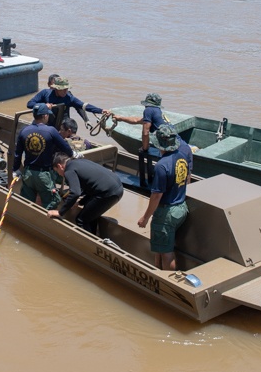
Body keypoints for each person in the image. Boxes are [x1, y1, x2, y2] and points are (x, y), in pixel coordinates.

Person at [137, 125, 190, 271]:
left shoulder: (161, 165)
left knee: (166, 253)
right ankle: (159, 272)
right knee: (161, 247)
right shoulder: (182, 156)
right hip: (181, 208)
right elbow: (187, 178)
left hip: (166, 213)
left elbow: (156, 196)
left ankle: (168, 283)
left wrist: (145, 217)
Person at [11, 105, 73, 210]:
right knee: (51, 203)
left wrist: (15, 169)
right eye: (48, 115)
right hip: (44, 175)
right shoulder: (51, 131)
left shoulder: (24, 131)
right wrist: (72, 154)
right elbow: (67, 149)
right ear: (44, 116)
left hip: (28, 173)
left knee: (26, 202)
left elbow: (17, 154)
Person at [47, 153, 124, 234]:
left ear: (60, 166)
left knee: (81, 220)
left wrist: (60, 212)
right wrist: (79, 202)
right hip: (118, 188)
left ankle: (89, 245)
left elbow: (75, 192)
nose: (59, 174)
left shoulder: (69, 171)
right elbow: (91, 186)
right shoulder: (80, 161)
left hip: (107, 192)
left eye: (57, 171)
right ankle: (93, 236)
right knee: (90, 216)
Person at [111, 92, 168, 187]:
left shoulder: (148, 110)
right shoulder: (157, 111)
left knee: (144, 153)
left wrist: (145, 148)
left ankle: (149, 185)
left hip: (165, 143)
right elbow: (137, 120)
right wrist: (120, 118)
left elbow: (145, 132)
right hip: (169, 141)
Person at [26, 76, 104, 128]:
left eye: (66, 89)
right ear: (56, 88)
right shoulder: (45, 93)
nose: (65, 91)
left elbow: (82, 105)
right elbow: (30, 104)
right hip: (47, 124)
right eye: (62, 89)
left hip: (63, 125)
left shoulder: (69, 97)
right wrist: (44, 106)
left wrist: (101, 111)